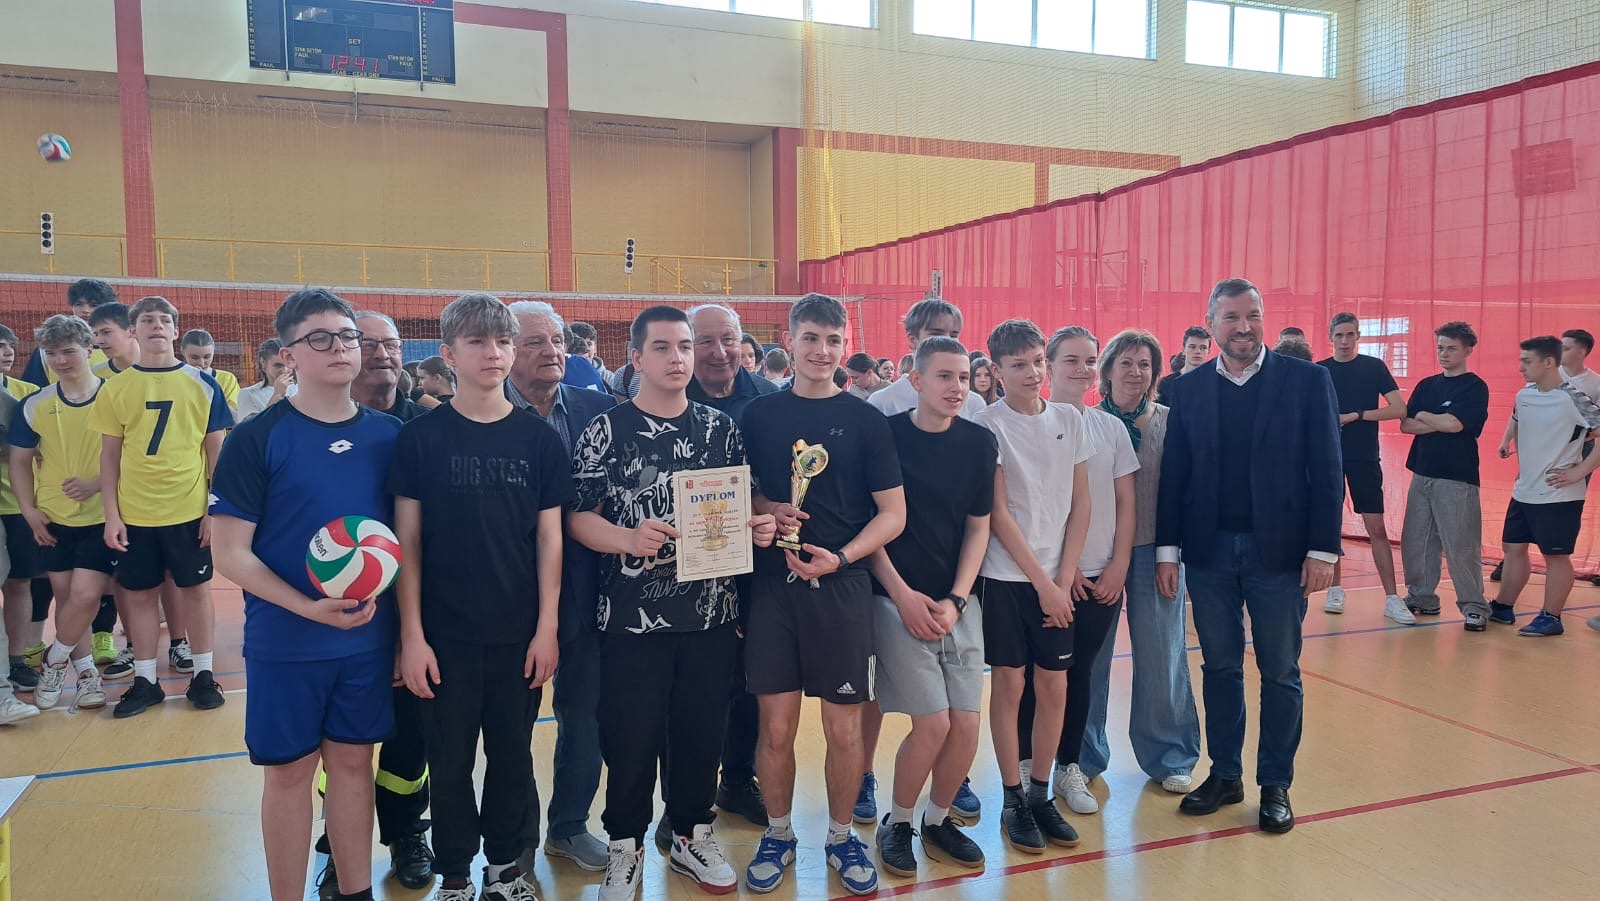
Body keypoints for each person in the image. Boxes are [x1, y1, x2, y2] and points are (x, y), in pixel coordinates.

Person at [571, 305, 777, 899]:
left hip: (711, 615)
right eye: (662, 347)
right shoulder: (606, 429)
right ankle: (625, 845)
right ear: (636, 358)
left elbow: (739, 506)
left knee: (701, 732)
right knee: (629, 736)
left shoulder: (720, 429)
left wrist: (759, 526)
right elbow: (578, 517)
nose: (678, 357)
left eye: (684, 346)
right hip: (631, 618)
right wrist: (627, 538)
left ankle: (691, 835)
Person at [209, 288, 401, 901]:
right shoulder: (256, 438)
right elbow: (229, 553)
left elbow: (407, 543)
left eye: (347, 336)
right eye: (320, 338)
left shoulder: (390, 436)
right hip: (286, 641)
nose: (340, 348)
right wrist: (307, 608)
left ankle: (355, 892)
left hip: (367, 640)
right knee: (290, 773)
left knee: (353, 765)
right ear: (288, 354)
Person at [393, 294, 570, 901]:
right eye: (477, 341)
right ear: (448, 354)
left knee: (512, 756)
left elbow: (550, 539)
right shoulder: (420, 439)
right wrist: (411, 636)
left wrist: (547, 628)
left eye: (502, 341)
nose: (493, 352)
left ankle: (503, 868)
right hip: (444, 636)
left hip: (518, 634)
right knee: (448, 761)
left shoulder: (538, 440)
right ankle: (454, 875)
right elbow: (408, 542)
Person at [1156, 277, 1342, 835]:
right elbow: (1175, 475)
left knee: (1280, 671)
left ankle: (1275, 783)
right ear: (1210, 325)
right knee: (1219, 667)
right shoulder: (1186, 389)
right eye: (1232, 317)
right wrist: (1167, 550)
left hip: (1279, 554)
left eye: (1252, 315)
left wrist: (1323, 549)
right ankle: (1226, 775)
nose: (1244, 327)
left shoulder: (1307, 381)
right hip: (1208, 552)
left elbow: (1327, 468)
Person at [740, 293, 907, 896]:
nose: (821, 350)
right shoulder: (758, 416)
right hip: (772, 590)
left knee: (844, 730)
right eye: (810, 337)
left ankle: (841, 837)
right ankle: (779, 832)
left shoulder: (866, 421)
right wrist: (767, 509)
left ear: (845, 346)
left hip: (842, 589)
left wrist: (841, 557)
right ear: (789, 341)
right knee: (775, 728)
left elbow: (893, 515)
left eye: (833, 340)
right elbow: (744, 493)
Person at [313, 308, 434, 896]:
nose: (384, 353)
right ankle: (342, 846)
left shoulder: (428, 428)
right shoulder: (316, 429)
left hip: (415, 613)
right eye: (370, 343)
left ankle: (408, 831)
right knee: (343, 742)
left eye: (392, 343)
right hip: (340, 616)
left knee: (411, 735)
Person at [867, 335, 992, 878]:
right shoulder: (886, 438)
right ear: (915, 380)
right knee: (934, 723)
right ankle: (897, 823)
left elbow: (979, 528)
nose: (956, 387)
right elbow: (872, 528)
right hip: (896, 600)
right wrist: (902, 596)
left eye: (963, 377)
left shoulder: (978, 443)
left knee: (966, 725)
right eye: (944, 376)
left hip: (956, 604)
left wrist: (958, 599)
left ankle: (938, 820)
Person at [504, 300, 615, 872]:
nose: (551, 351)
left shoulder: (601, 409)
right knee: (510, 725)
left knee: (586, 714)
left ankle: (568, 827)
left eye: (557, 340)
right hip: (508, 592)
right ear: (505, 350)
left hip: (589, 589)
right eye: (534, 342)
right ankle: (515, 841)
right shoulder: (484, 414)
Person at [975, 319, 1091, 855]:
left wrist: (1063, 579)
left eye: (1038, 361)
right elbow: (998, 513)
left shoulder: (1069, 419)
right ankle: (1013, 798)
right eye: (1018, 365)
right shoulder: (988, 424)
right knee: (1010, 686)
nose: (1032, 372)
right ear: (997, 371)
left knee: (1055, 686)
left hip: (1056, 580)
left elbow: (1081, 504)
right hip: (1006, 579)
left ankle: (1042, 793)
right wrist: (1043, 583)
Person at [88, 295, 232, 718]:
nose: (156, 325)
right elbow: (109, 457)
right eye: (147, 320)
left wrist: (212, 511)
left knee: (196, 592)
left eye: (163, 320)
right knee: (138, 596)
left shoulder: (203, 384)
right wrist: (111, 515)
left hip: (187, 510)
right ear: (134, 331)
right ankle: (146, 681)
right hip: (135, 514)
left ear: (175, 330)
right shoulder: (116, 387)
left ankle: (203, 675)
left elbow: (217, 454)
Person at [1015, 327, 1138, 818]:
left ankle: (1070, 766)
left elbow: (1126, 503)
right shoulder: (1034, 425)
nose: (1083, 369)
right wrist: (1060, 577)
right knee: (1035, 675)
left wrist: (1118, 566)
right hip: (1046, 578)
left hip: (1099, 577)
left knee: (1079, 673)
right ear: (1048, 365)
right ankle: (1027, 768)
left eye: (1090, 360)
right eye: (1071, 360)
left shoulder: (1111, 430)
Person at [1080, 330, 1201, 794]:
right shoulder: (1086, 423)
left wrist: (1173, 553)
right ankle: (1082, 756)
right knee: (1091, 658)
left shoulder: (1172, 422)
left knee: (1162, 654)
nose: (1135, 372)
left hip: (1157, 553)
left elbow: (1185, 492)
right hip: (1097, 554)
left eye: (1145, 364)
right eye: (1126, 363)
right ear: (1107, 370)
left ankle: (1170, 756)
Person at [10, 315, 110, 713]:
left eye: (69, 351)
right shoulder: (35, 404)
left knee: (85, 596)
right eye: (51, 353)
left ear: (89, 350)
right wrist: (29, 511)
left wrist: (96, 483)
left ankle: (53, 661)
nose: (60, 360)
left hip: (103, 514)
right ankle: (87, 677)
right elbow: (19, 461)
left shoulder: (114, 396)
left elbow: (133, 455)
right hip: (53, 518)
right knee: (68, 599)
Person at [1489, 336, 1600, 637]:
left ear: (1549, 362)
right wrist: (1508, 442)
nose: (1520, 367)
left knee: (1555, 556)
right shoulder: (1524, 394)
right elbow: (1518, 422)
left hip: (1558, 494)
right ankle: (1503, 607)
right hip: (1524, 490)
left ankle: (1551, 617)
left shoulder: (1574, 398)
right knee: (1513, 548)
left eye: (1526, 361)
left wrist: (1581, 471)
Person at [1317, 311, 1411, 624]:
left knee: (1376, 527)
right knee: (1331, 525)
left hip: (1364, 457)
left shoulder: (1374, 367)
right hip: (1329, 459)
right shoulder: (1320, 371)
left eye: (1350, 334)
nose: (1344, 341)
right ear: (1330, 337)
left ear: (1358, 336)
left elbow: (1399, 409)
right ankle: (1335, 589)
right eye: (1339, 335)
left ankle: (1392, 597)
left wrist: (1357, 415)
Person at [1399, 322, 1491, 630]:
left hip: (1456, 477)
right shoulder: (1427, 385)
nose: (1444, 353)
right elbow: (1406, 425)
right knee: (1417, 540)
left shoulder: (1474, 387)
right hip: (1422, 472)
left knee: (1460, 545)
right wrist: (1438, 420)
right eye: (1440, 347)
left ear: (1467, 350)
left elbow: (1456, 425)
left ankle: (1474, 606)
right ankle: (1422, 597)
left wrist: (1426, 415)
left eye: (1451, 348)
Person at [0, 325, 42, 694]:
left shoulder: (27, 394)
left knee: (19, 582)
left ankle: (17, 660)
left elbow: (40, 447)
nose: (6, 352)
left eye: (9, 346)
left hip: (18, 504)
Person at [869, 299, 987, 421]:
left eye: (953, 335)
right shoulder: (883, 403)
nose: (946, 341)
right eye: (936, 334)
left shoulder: (974, 404)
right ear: (912, 339)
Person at [20, 277, 115, 386]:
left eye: (94, 305)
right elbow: (33, 387)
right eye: (79, 304)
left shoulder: (120, 347)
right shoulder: (46, 348)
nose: (85, 310)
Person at [180, 329, 242, 415]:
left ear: (213, 351)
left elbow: (235, 416)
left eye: (207, 357)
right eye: (194, 358)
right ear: (183, 352)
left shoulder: (227, 379)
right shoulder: (176, 378)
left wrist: (207, 385)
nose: (201, 363)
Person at [235, 338, 297, 422]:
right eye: (278, 365)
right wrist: (277, 395)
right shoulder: (248, 394)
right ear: (263, 363)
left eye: (288, 364)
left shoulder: (302, 390)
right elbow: (254, 428)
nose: (285, 370)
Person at [1155, 326, 1210, 404]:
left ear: (1209, 351)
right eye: (1192, 347)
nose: (1198, 351)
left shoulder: (1216, 383)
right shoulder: (1165, 384)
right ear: (1183, 350)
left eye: (1203, 347)